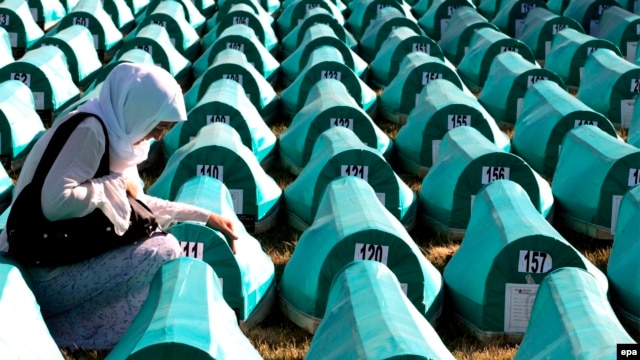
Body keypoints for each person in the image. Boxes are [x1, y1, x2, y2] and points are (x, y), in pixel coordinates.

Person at [0, 63, 239, 350]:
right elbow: (55, 203)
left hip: (51, 255)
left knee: (160, 242)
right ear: (140, 110)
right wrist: (110, 186)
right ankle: (71, 331)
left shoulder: (111, 130)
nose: (159, 137)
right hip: (40, 268)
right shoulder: (90, 132)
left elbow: (136, 202)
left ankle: (75, 326)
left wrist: (203, 215)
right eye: (158, 126)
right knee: (163, 251)